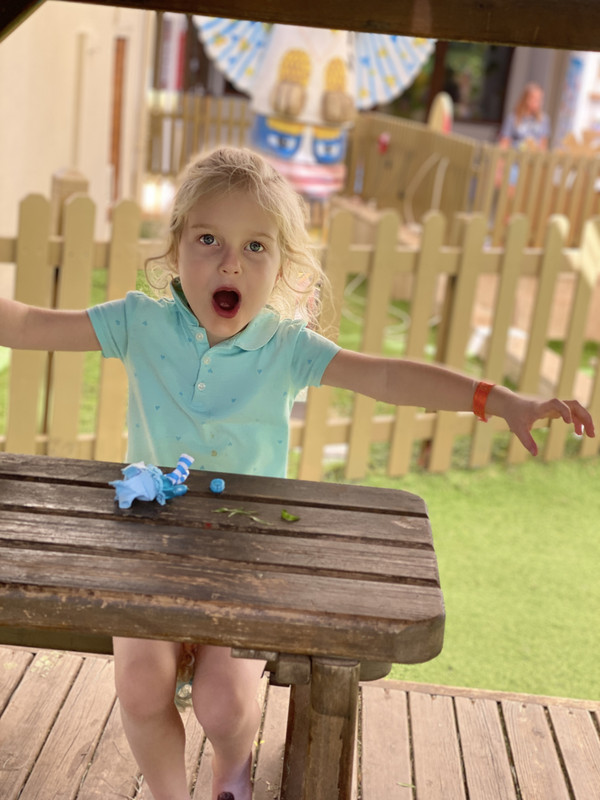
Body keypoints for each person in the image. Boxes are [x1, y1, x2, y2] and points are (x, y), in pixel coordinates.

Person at [0, 146, 594, 800]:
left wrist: (496, 399)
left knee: (224, 705)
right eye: (209, 239)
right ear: (175, 249)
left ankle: (232, 769)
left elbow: (387, 376)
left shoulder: (285, 348)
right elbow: (27, 324)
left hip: (251, 556)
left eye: (255, 246)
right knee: (141, 688)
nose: (230, 262)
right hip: (149, 548)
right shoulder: (138, 323)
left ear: (281, 267)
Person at [499, 82, 551, 151]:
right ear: (526, 99)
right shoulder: (512, 118)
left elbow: (543, 146)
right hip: (515, 156)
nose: (539, 103)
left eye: (540, 100)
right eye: (535, 99)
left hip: (533, 157)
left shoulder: (544, 120)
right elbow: (504, 143)